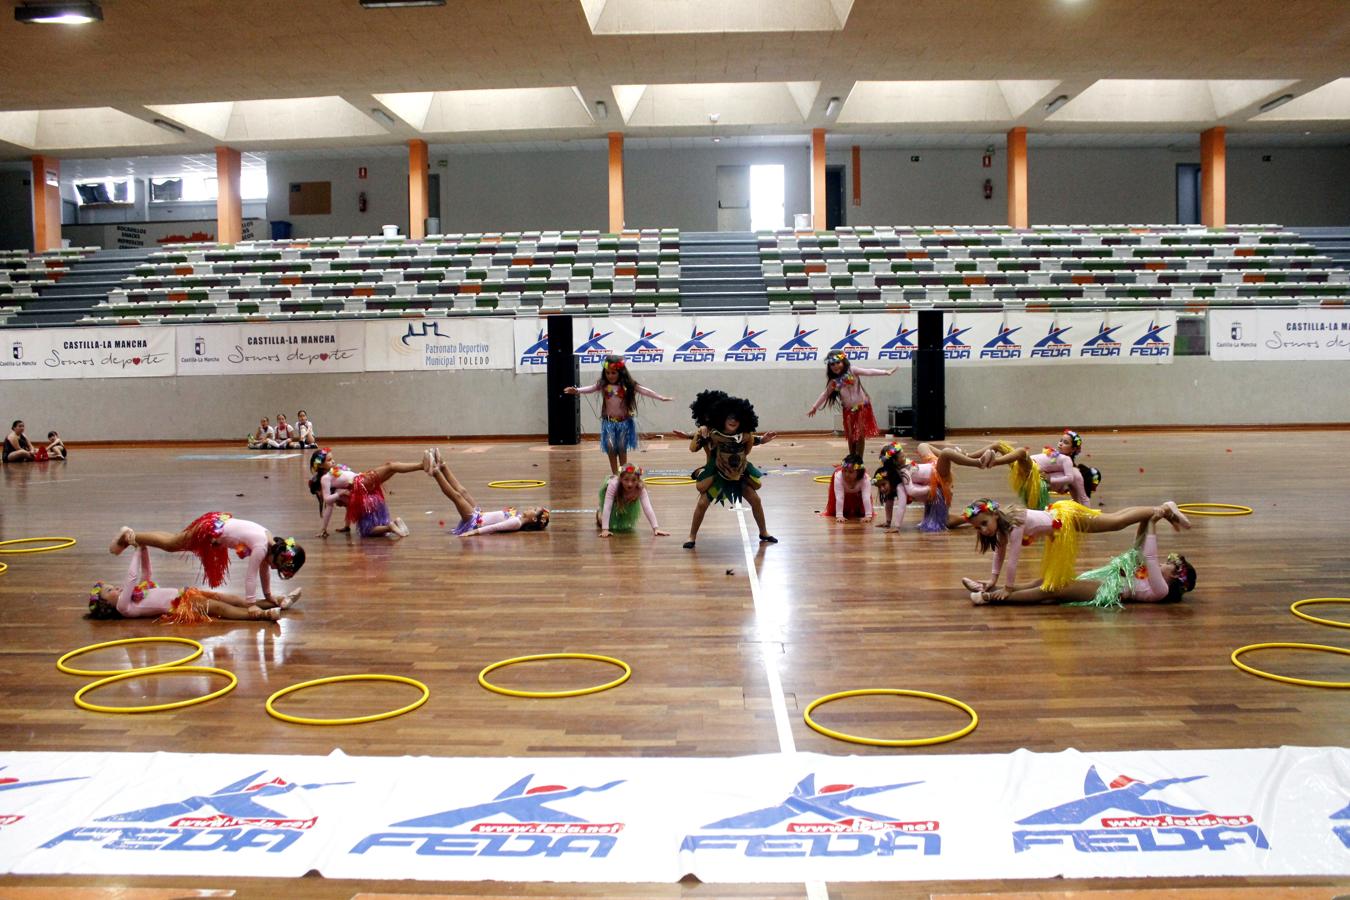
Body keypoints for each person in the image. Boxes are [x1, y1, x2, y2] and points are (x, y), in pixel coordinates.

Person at [969, 509, 1197, 608]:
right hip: (1103, 582)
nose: (1164, 564)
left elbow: (1148, 554)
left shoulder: (1161, 590)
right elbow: (1139, 548)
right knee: (1044, 582)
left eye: (1169, 565)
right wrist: (1147, 519)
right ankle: (996, 589)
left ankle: (990, 598)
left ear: (1175, 576)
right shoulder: (1148, 576)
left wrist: (1155, 523)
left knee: (1053, 590)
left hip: (1108, 591)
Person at [109, 516, 304, 609]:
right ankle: (128, 536)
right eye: (277, 565)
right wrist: (252, 604)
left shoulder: (269, 541)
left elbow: (264, 572)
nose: (273, 567)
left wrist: (268, 595)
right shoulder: (262, 548)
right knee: (172, 543)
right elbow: (251, 576)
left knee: (174, 541)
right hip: (211, 531)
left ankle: (132, 537)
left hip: (217, 524)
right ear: (280, 556)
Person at [88, 544, 299, 624]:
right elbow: (131, 576)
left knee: (230, 598)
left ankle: (278, 602)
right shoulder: (124, 606)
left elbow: (146, 573)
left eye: (111, 586)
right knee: (219, 609)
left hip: (186, 593)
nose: (116, 588)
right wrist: (134, 549)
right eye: (110, 591)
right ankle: (263, 616)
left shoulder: (137, 592)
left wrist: (143, 547)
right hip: (181, 605)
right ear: (108, 605)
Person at [683, 390, 777, 550]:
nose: (733, 420)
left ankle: (763, 532)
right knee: (702, 504)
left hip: (738, 473)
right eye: (729, 417)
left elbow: (750, 440)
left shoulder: (741, 433)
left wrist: (762, 440)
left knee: (756, 499)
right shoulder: (710, 433)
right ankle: (691, 536)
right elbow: (694, 447)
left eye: (736, 418)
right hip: (716, 473)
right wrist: (698, 434)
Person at [564, 355, 672, 475]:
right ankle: (615, 474)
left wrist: (661, 397)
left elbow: (644, 390)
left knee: (621, 449)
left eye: (613, 373)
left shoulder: (628, 385)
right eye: (608, 373)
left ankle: (622, 473)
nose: (610, 376)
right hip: (609, 423)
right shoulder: (603, 385)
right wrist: (577, 390)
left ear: (620, 372)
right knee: (610, 448)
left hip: (624, 423)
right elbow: (591, 388)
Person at [872, 439, 993, 531]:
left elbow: (891, 499)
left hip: (933, 465)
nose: (905, 457)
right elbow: (910, 492)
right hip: (938, 476)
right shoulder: (904, 473)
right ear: (894, 462)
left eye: (903, 455)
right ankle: (978, 463)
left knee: (922, 446)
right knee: (946, 453)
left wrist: (889, 522)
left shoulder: (901, 468)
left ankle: (964, 456)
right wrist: (895, 526)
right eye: (902, 456)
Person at [425, 449, 549, 536]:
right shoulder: (518, 517)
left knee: (457, 496)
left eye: (534, 509)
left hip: (474, 521)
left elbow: (494, 528)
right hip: (479, 514)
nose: (530, 507)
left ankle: (435, 472)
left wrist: (472, 532)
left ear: (533, 518)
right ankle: (443, 466)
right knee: (463, 491)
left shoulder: (516, 522)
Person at [805, 351, 896, 457]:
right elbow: (825, 394)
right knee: (851, 436)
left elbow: (869, 372)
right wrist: (814, 407)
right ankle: (852, 457)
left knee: (860, 434)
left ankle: (859, 460)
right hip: (848, 410)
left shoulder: (852, 370)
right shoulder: (834, 382)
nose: (835, 366)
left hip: (862, 407)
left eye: (838, 362)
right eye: (832, 364)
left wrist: (886, 372)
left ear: (843, 361)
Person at [982, 429, 1099, 507]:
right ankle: (972, 459)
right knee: (998, 445)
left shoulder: (1070, 467)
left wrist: (1050, 480)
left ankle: (994, 461)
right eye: (1061, 441)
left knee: (1021, 452)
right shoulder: (1057, 456)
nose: (1060, 444)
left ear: (1073, 449)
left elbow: (1071, 486)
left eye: (1065, 443)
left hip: (1030, 471)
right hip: (1025, 468)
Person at [341, 458, 420, 539]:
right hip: (375, 497)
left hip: (366, 501)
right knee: (378, 523)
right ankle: (395, 523)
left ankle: (389, 527)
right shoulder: (341, 480)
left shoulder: (336, 491)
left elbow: (348, 507)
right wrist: (346, 526)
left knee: (366, 530)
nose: (338, 505)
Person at [597, 463, 669, 538]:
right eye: (626, 480)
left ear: (638, 480)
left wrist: (656, 528)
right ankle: (599, 511)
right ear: (621, 479)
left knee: (624, 524)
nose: (630, 484)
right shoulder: (613, 485)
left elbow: (647, 507)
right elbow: (608, 506)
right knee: (602, 522)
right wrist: (605, 529)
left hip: (630, 500)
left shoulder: (640, 487)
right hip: (615, 498)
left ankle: (621, 508)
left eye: (634, 480)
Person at [308, 448, 356, 538]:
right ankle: (346, 526)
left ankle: (346, 526)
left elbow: (328, 503)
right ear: (321, 465)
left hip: (357, 484)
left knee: (339, 498)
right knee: (337, 499)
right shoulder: (326, 478)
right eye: (329, 460)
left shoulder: (334, 471)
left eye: (332, 459)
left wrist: (341, 493)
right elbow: (328, 504)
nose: (333, 462)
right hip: (353, 485)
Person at [824, 454, 873, 522]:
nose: (846, 475)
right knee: (837, 510)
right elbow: (839, 498)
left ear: (859, 472)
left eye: (851, 472)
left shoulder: (865, 479)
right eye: (844, 471)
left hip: (859, 492)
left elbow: (866, 497)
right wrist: (839, 516)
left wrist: (868, 516)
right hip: (841, 490)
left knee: (860, 512)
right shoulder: (838, 477)